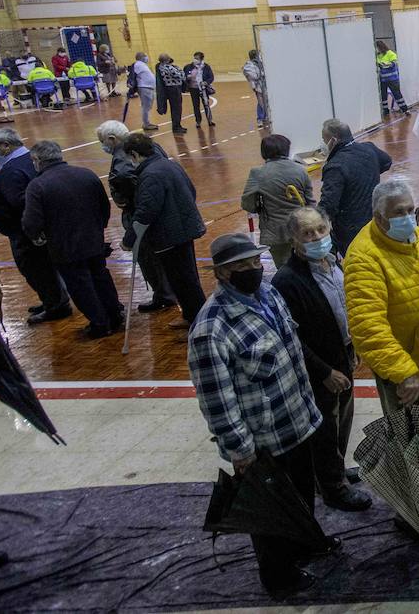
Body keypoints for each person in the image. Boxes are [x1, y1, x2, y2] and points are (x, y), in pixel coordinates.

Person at [188, 232, 327, 597]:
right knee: (270, 514)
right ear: (220, 274)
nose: (252, 270)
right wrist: (241, 451)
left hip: (297, 421)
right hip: (263, 441)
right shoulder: (210, 329)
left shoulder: (268, 293)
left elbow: (292, 346)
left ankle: (305, 542)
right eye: (240, 266)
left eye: (254, 262)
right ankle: (279, 577)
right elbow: (217, 400)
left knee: (300, 493)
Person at [271, 207, 372, 513]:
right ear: (293, 239)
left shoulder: (335, 263)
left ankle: (335, 469)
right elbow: (291, 338)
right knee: (324, 428)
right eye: (307, 233)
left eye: (320, 230)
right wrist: (324, 370)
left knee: (343, 420)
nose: (316, 237)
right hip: (319, 368)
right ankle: (332, 487)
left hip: (343, 355)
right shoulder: (286, 281)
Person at [346, 179, 419, 415]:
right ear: (379, 217)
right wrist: (402, 370)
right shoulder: (364, 258)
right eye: (399, 212)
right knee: (410, 443)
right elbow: (367, 326)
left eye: (410, 209)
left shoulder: (416, 235)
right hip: (407, 372)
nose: (408, 217)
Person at [21, 141, 121, 339]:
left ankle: (99, 324)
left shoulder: (37, 186)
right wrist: (98, 228)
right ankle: (115, 316)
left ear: (37, 161)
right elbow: (104, 206)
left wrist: (36, 236)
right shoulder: (87, 174)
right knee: (101, 278)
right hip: (94, 240)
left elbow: (32, 222)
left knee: (80, 286)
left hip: (64, 246)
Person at [124, 132, 207, 325]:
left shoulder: (150, 174)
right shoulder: (169, 165)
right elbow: (191, 191)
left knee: (183, 281)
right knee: (184, 278)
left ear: (135, 155)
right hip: (183, 229)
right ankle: (190, 315)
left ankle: (198, 322)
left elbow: (145, 212)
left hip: (169, 235)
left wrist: (129, 240)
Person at [0, 129, 71, 324]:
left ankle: (56, 305)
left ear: (6, 146)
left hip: (24, 232)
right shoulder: (28, 158)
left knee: (35, 269)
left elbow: (21, 203)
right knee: (44, 268)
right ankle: (53, 299)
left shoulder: (12, 171)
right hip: (35, 228)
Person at [98, 120, 175, 314]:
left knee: (148, 256)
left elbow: (124, 176)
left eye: (103, 141)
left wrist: (128, 198)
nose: (103, 146)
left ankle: (163, 294)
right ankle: (166, 292)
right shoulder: (150, 145)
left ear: (112, 139)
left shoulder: (123, 154)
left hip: (140, 213)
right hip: (161, 209)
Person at [319, 118, 393, 257]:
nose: (323, 144)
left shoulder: (335, 166)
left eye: (324, 139)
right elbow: (387, 161)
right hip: (374, 218)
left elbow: (329, 204)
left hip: (350, 228)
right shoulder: (369, 148)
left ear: (333, 140)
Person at [241, 134, 316, 267]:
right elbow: (311, 203)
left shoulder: (258, 173)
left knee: (284, 269)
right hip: (302, 229)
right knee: (307, 267)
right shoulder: (301, 170)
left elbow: (248, 203)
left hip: (275, 232)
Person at [374, 39, 410, 116]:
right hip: (383, 80)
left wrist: (383, 65)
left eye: (377, 48)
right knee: (383, 96)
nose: (376, 50)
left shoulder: (390, 53)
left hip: (392, 79)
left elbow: (392, 64)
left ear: (381, 47)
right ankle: (385, 110)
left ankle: (405, 109)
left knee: (397, 94)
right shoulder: (378, 55)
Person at [154, 54, 187, 134]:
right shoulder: (168, 67)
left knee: (175, 108)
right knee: (177, 108)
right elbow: (181, 76)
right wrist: (180, 69)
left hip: (169, 89)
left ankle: (177, 125)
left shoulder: (160, 67)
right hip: (174, 89)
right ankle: (176, 127)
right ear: (168, 59)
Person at [184, 52, 215, 127]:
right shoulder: (188, 67)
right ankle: (198, 121)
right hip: (193, 89)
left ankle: (210, 120)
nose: (195, 60)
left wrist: (206, 82)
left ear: (201, 59)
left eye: (197, 58)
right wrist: (188, 77)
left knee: (206, 104)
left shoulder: (206, 66)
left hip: (203, 89)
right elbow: (184, 76)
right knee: (196, 105)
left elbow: (211, 77)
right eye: (194, 58)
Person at [243, 49, 268, 127]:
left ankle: (266, 116)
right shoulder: (249, 66)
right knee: (261, 103)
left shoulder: (261, 63)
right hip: (258, 86)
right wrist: (262, 73)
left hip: (265, 85)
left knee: (267, 101)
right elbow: (254, 76)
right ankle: (260, 118)